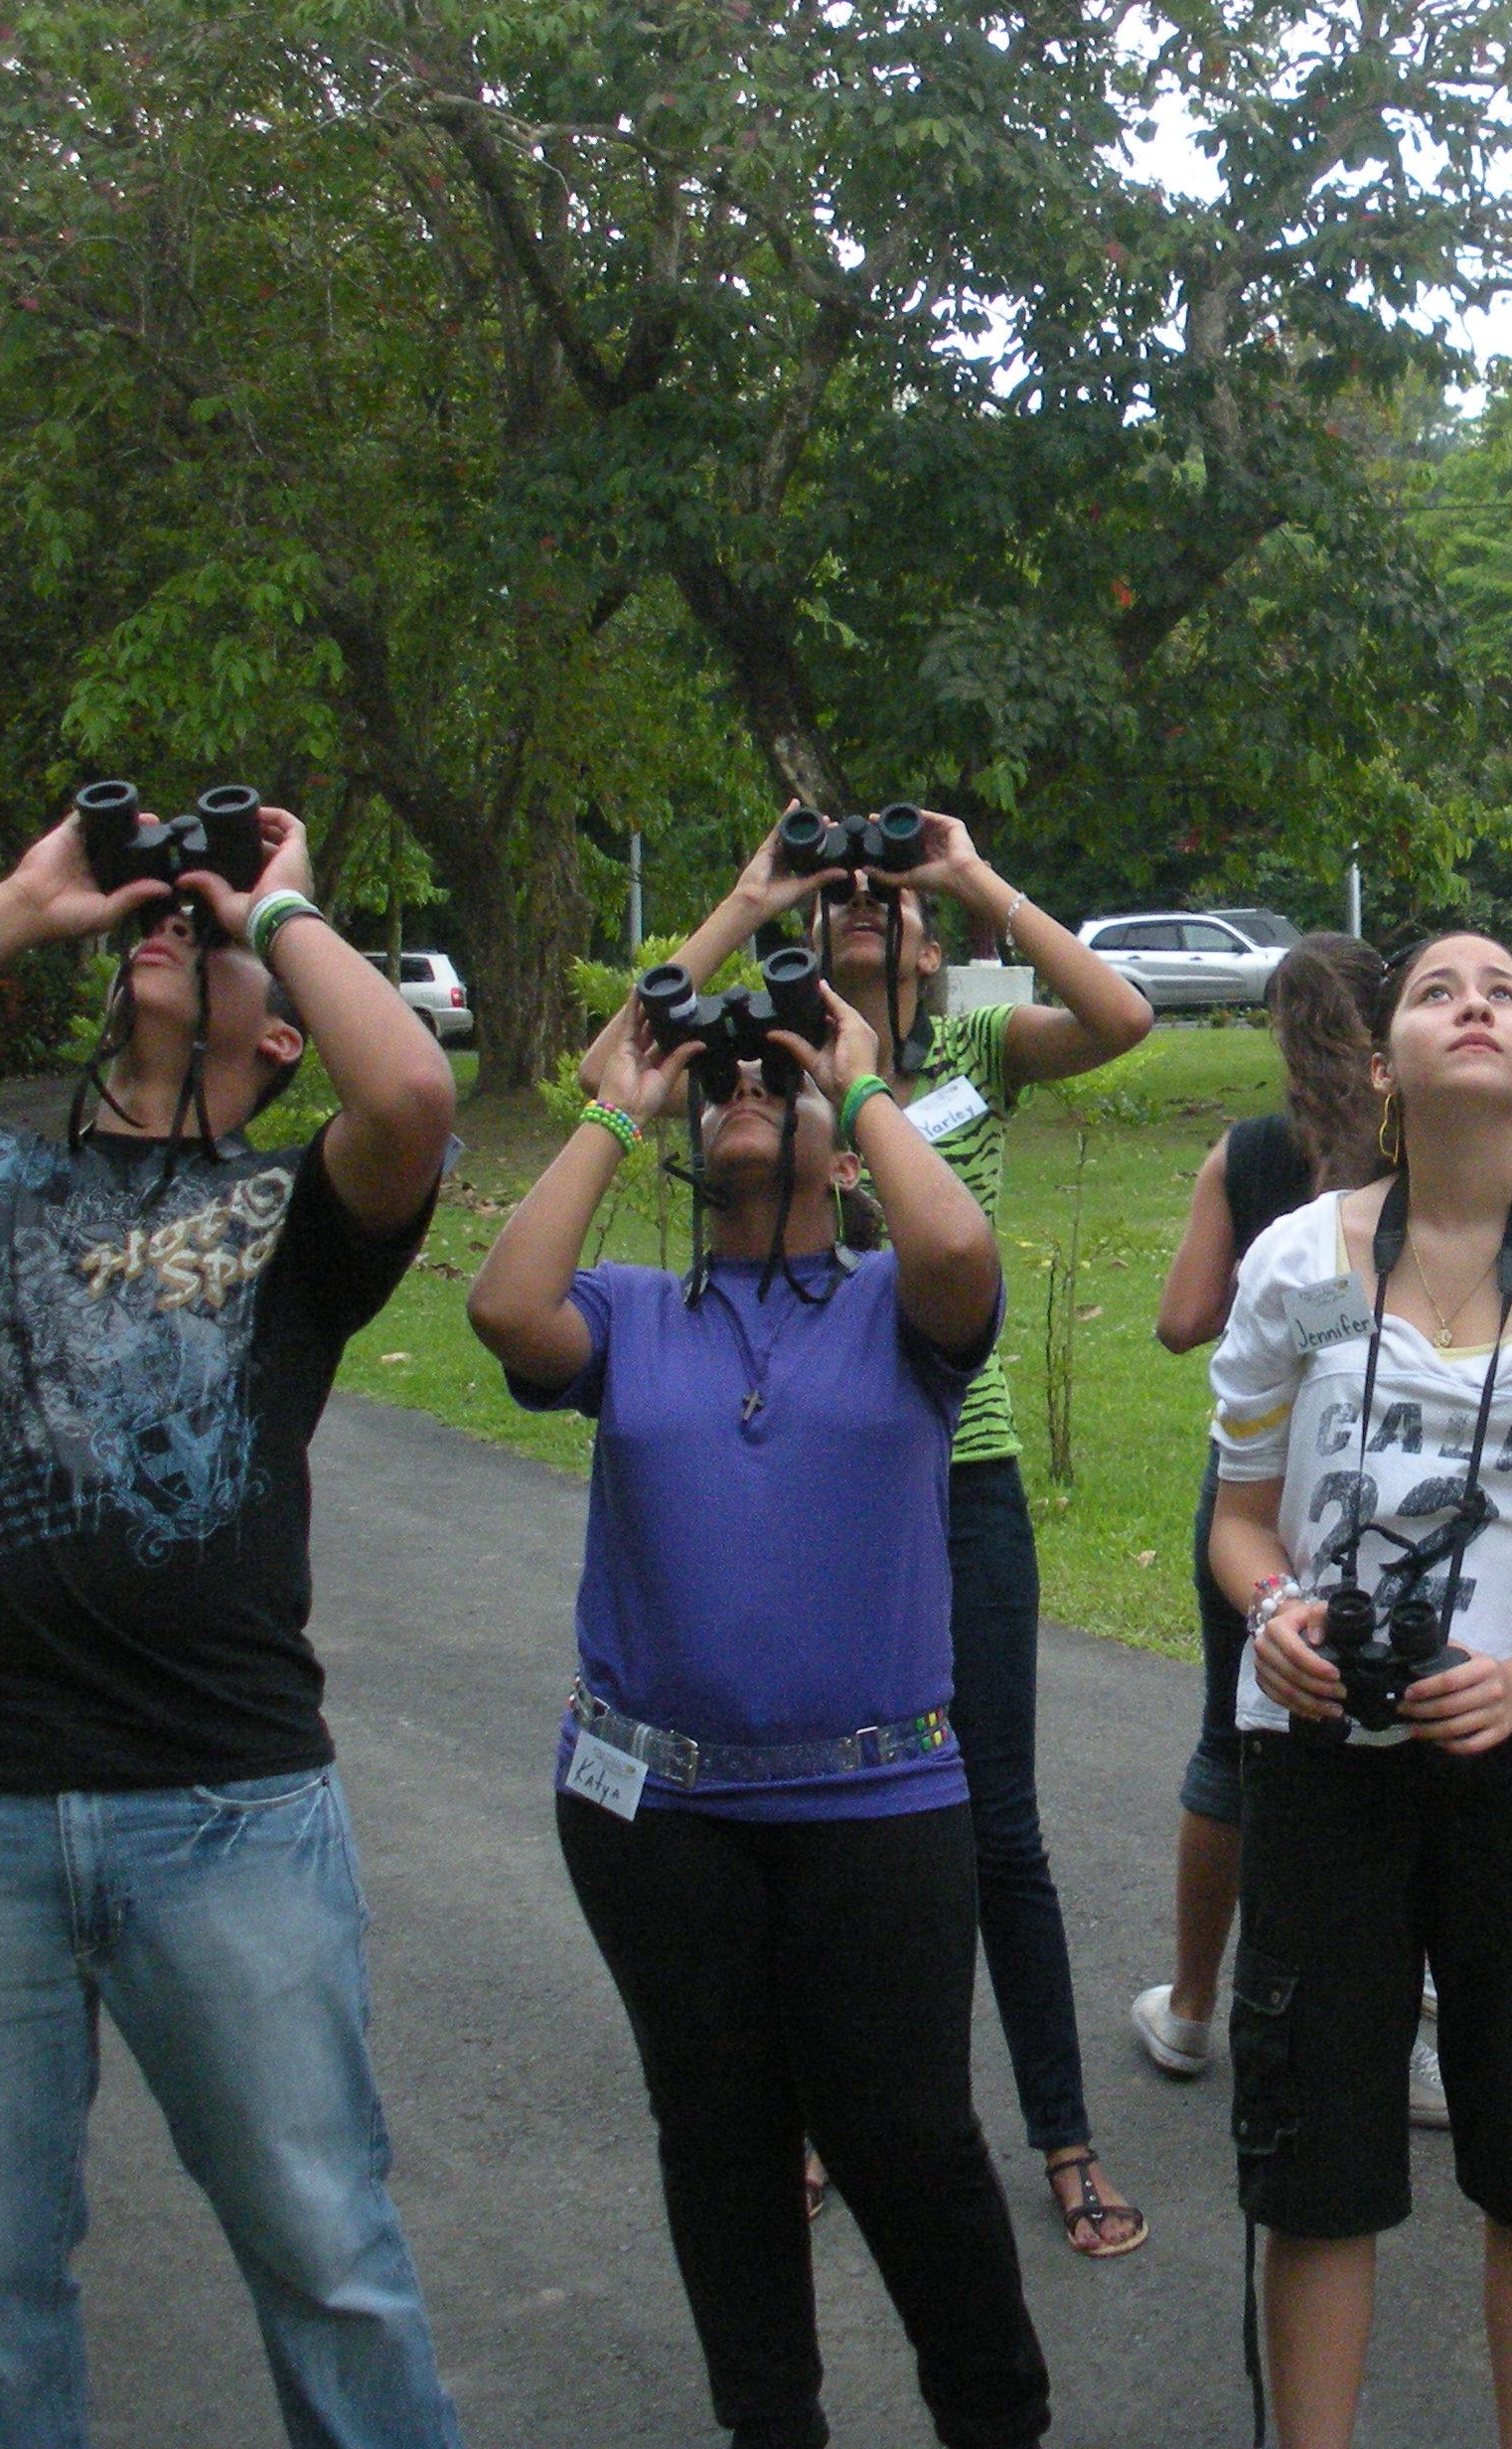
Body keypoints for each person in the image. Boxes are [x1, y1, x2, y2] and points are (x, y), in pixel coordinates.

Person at [0, 800, 464, 2447]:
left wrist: (274, 906)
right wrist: (27, 895)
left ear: (282, 1032)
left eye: (207, 928)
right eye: (163, 912)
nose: (169, 919)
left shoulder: (306, 1212)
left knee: (331, 2269)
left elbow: (409, 1088)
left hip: (225, 1806)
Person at [469, 984, 1047, 2449]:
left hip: (878, 1809)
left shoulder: (898, 1307)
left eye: (768, 1082)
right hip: (657, 1816)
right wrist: (626, 1094)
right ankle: (768, 2424)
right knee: (719, 2141)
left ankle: (996, 2418)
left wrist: (851, 1082)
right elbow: (503, 1305)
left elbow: (964, 1242)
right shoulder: (631, 1314)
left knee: (908, 2142)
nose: (745, 1088)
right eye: (725, 1085)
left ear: (848, 1158)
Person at [1204, 929, 1512, 2449]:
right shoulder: (1295, 1257)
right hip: (1319, 1753)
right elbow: (1237, 1515)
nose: (1474, 1005)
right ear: (1382, 1064)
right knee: (1318, 2159)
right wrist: (1277, 1611)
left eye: (1503, 990)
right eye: (1436, 991)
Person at [648, 809, 1154, 2252]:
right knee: (819, 1811)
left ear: (935, 954)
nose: (865, 906)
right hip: (823, 1477)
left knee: (1000, 1829)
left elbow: (1117, 1015)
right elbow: (623, 1047)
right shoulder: (761, 1071)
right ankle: (830, 2120)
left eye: (892, 903)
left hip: (965, 1478)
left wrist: (970, 871)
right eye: (844, 897)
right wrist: (758, 894)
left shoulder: (974, 1062)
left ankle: (1063, 2138)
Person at [1134, 931, 1384, 2079]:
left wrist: (1273, 1294)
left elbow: (1180, 1322)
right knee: (1399, 1740)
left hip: (1257, 1482)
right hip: (1394, 1478)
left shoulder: (1246, 1155)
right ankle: (1406, 2026)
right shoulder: (1424, 1144)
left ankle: (1191, 2004)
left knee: (1229, 1744)